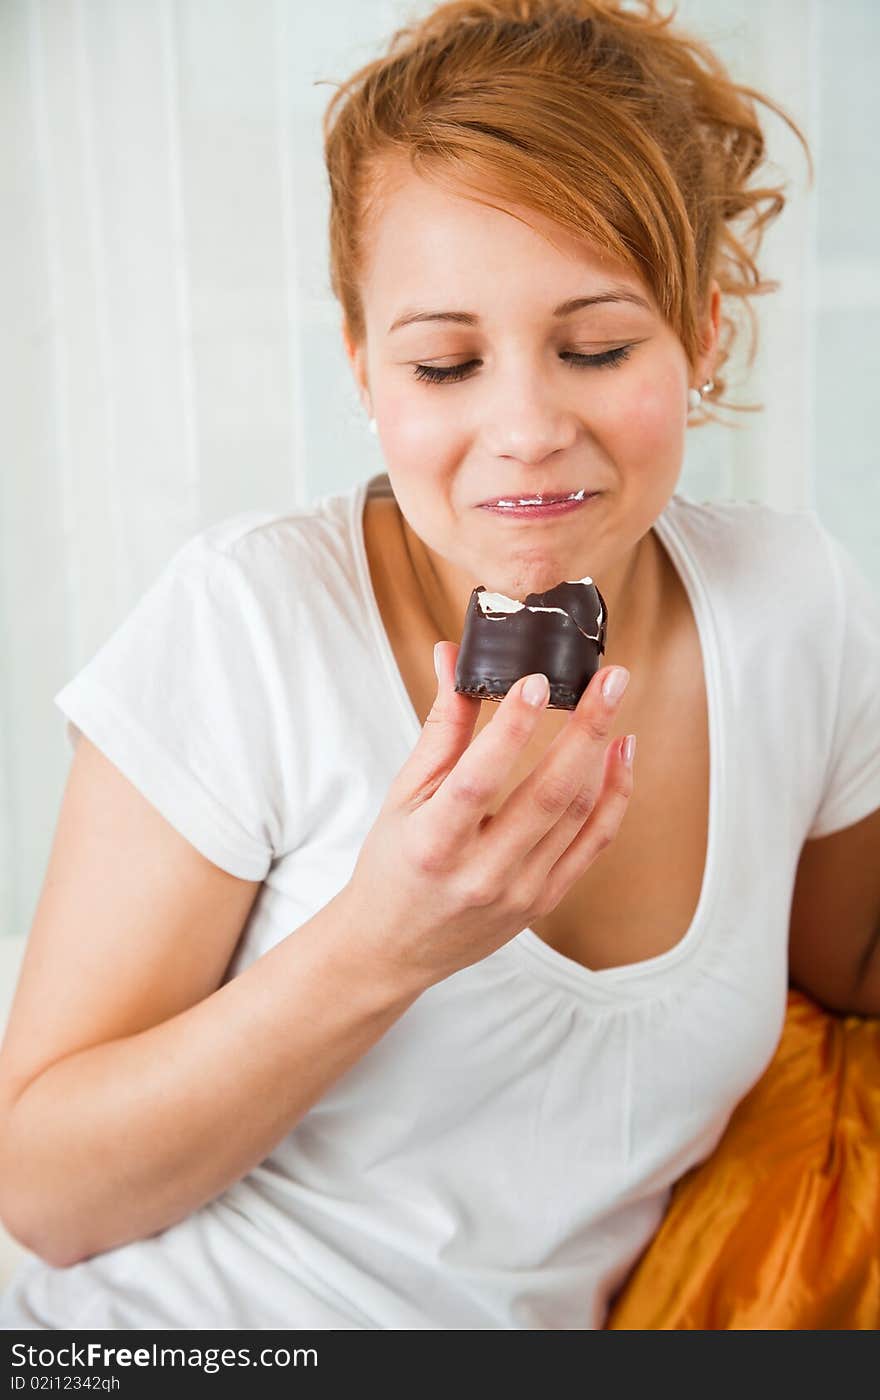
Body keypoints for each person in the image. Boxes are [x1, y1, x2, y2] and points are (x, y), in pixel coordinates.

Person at [1, 0, 878, 1332]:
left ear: (702, 336)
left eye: (597, 347)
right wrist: (382, 942)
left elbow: (852, 963)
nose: (524, 427)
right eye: (446, 361)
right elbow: (47, 1195)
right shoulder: (250, 621)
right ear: (364, 367)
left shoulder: (790, 607)